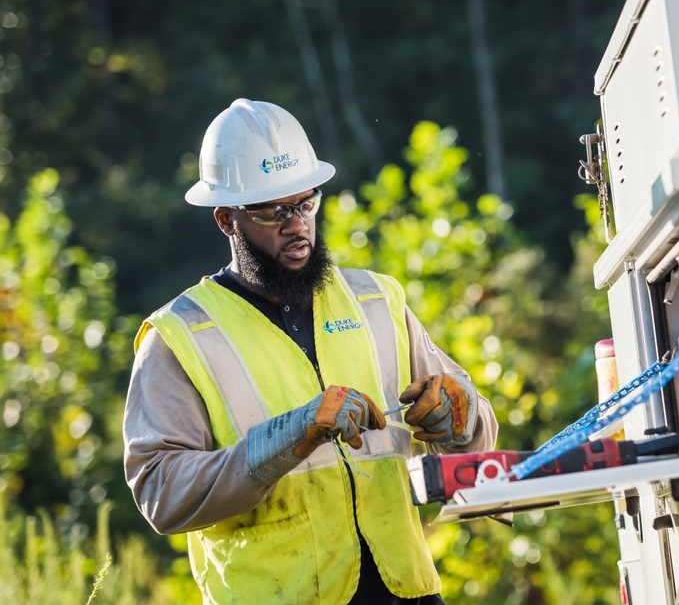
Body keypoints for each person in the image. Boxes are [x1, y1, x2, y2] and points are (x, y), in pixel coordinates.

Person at [123, 99, 498, 605]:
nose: (296, 225)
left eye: (305, 204)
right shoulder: (180, 335)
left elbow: (477, 432)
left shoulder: (376, 300)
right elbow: (160, 492)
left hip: (405, 591)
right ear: (225, 220)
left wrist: (459, 414)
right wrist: (288, 437)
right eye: (270, 211)